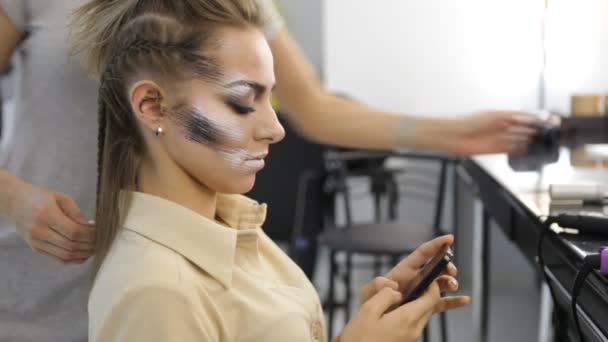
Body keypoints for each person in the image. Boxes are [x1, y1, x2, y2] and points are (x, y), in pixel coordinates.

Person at [0, 0, 527, 341]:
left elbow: (315, 108)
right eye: (243, 102)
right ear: (153, 106)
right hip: (49, 284)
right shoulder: (155, 292)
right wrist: (14, 198)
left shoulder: (248, 239)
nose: (276, 129)